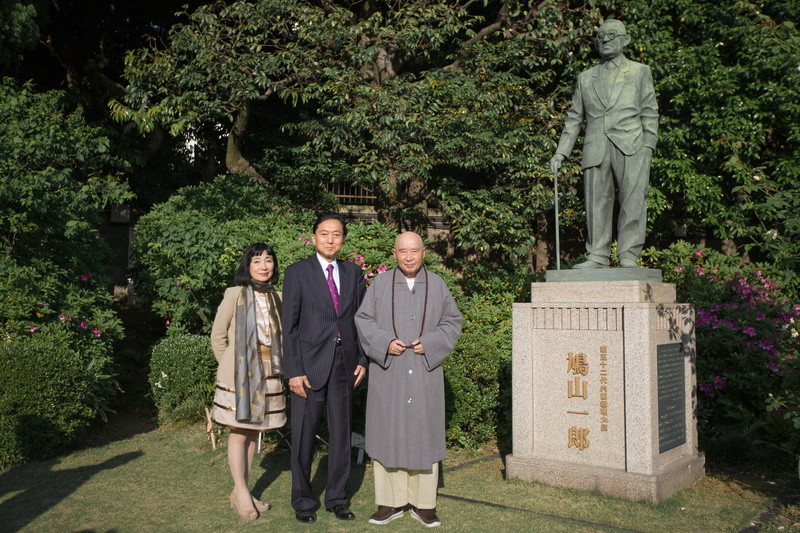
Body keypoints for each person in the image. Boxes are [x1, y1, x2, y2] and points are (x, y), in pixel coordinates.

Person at [355, 231, 462, 528]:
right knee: (389, 432)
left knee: (423, 433)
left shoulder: (437, 284)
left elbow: (452, 321)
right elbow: (363, 320)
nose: (409, 256)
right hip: (389, 372)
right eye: (403, 251)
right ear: (394, 253)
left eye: (414, 250)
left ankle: (423, 504)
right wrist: (384, 342)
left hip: (424, 371)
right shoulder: (380, 284)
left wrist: (430, 342)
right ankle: (389, 503)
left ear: (424, 252)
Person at [550, 19, 658, 269]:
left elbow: (650, 111)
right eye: (601, 36)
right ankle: (597, 255)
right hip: (596, 146)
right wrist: (561, 152)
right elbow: (574, 118)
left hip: (632, 144)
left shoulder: (640, 71)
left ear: (626, 39)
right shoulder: (585, 77)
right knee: (596, 201)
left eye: (612, 35)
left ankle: (628, 254)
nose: (606, 40)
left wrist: (648, 146)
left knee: (632, 200)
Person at [282, 212, 368, 523]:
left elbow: (362, 321)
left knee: (341, 434)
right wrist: (293, 371)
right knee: (304, 436)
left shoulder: (354, 273)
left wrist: (362, 360)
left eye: (336, 234)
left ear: (343, 239)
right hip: (307, 369)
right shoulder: (297, 272)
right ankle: (304, 501)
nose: (330, 239)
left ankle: (337, 498)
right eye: (324, 233)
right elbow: (289, 327)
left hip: (345, 366)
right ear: (314, 237)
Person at [210, 243, 286, 521]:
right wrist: (231, 367)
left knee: (255, 432)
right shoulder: (234, 294)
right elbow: (218, 337)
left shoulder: (279, 296)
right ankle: (242, 493)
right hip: (240, 376)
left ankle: (241, 490)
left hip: (269, 372)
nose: (264, 266)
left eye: (269, 261)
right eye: (257, 261)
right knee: (239, 432)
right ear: (248, 266)